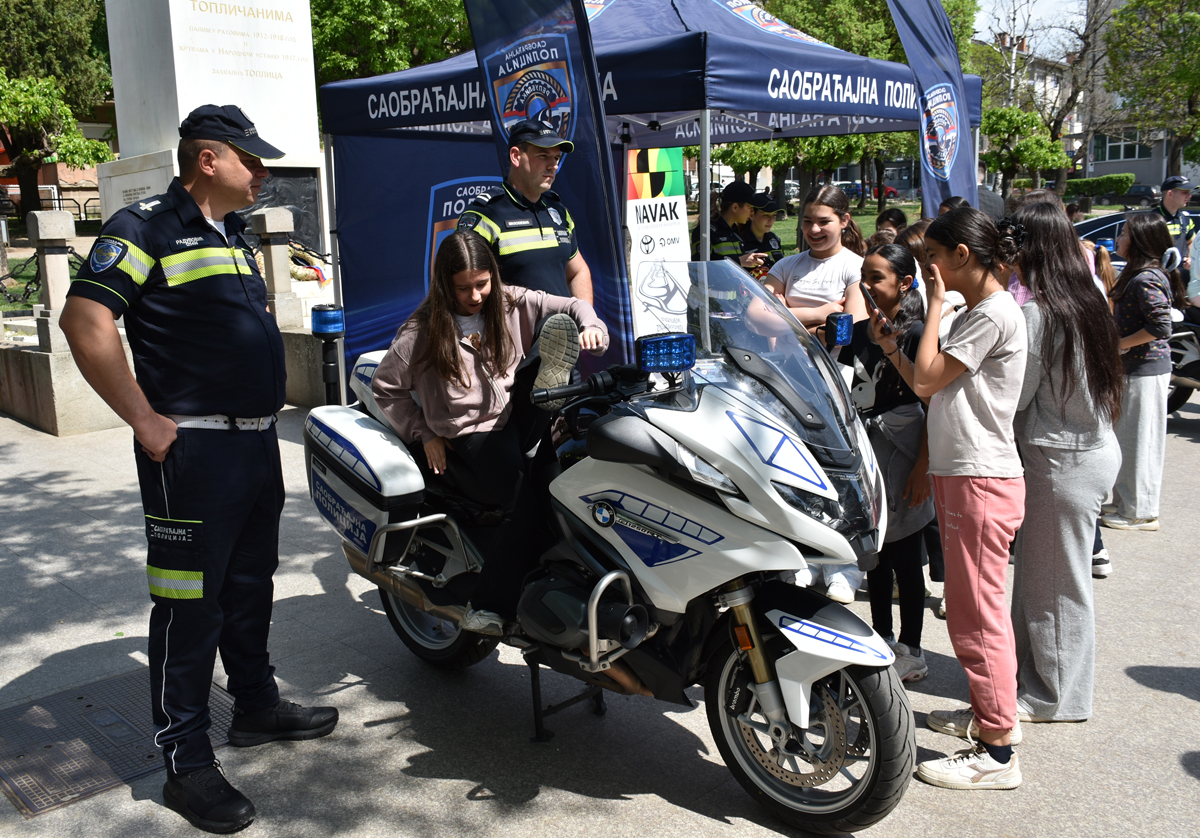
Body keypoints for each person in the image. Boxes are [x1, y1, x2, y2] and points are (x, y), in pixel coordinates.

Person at [59, 105, 338, 834]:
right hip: (193, 453)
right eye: (252, 159)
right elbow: (84, 321)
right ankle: (186, 761)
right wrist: (143, 419)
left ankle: (255, 707)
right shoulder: (144, 228)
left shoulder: (234, 233)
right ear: (208, 160)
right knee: (190, 606)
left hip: (254, 445)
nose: (264, 172)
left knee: (249, 587)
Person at [371, 231, 608, 634]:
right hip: (472, 432)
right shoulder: (420, 332)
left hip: (516, 410)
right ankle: (487, 606)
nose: (476, 295)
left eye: (482, 283)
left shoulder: (509, 301)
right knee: (526, 503)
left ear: (493, 276)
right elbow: (386, 388)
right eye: (463, 288)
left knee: (570, 476)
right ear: (444, 285)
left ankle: (575, 585)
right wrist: (424, 432)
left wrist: (591, 325)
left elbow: (571, 303)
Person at [912, 207, 1028, 791]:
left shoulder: (990, 314)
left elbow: (925, 379)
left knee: (977, 617)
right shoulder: (985, 310)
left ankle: (997, 752)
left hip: (978, 479)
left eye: (933, 256)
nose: (928, 268)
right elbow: (932, 383)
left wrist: (935, 305)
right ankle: (991, 718)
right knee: (974, 611)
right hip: (969, 475)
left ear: (961, 255)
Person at [1007, 202, 1124, 725]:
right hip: (1085, 451)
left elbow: (1017, 394)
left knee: (1053, 586)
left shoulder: (1039, 313)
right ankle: (1033, 679)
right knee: (1046, 581)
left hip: (1060, 462)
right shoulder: (1086, 298)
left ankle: (1054, 697)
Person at [764, 185, 867, 602]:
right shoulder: (787, 264)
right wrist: (822, 312)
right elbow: (757, 316)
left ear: (844, 221)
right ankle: (804, 556)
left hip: (836, 385)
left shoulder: (855, 267)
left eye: (824, 221)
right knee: (795, 470)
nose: (814, 229)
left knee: (837, 472)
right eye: (807, 221)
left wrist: (787, 314)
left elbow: (852, 324)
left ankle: (843, 566)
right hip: (785, 383)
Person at [838, 244, 934, 682]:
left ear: (905, 283)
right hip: (868, 454)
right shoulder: (859, 332)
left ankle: (912, 646)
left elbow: (933, 406)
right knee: (874, 555)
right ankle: (880, 636)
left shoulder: (918, 335)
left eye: (877, 277)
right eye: (864, 275)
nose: (867, 285)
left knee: (907, 558)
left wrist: (922, 467)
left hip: (905, 455)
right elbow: (843, 382)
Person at [1102, 212, 1185, 531]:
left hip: (1146, 370)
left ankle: (1139, 512)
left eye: (1124, 233)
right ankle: (1126, 502)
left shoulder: (1146, 278)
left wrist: (1121, 345)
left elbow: (1161, 326)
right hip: (1135, 369)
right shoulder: (1138, 275)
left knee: (1140, 443)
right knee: (1128, 439)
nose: (1119, 239)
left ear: (1138, 241)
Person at [456, 119, 593, 302]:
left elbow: (578, 271)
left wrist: (585, 315)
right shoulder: (485, 216)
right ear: (516, 156)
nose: (553, 166)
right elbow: (464, 287)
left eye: (556, 158)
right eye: (543, 156)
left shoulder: (559, 212)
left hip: (565, 321)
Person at [690, 180, 767, 269]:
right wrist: (740, 261)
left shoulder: (734, 232)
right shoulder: (706, 231)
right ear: (735, 207)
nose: (753, 212)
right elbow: (700, 265)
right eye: (750, 208)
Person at [1156, 175, 1195, 286]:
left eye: (1190, 192)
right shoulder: (1151, 219)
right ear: (1170, 194)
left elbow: (1192, 241)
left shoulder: (1185, 219)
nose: (1189, 196)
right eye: (1185, 192)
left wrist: (1190, 258)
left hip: (1181, 278)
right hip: (1158, 278)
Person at [738, 192, 785, 275]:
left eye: (774, 215)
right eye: (766, 215)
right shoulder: (739, 241)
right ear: (751, 215)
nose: (771, 220)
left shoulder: (774, 239)